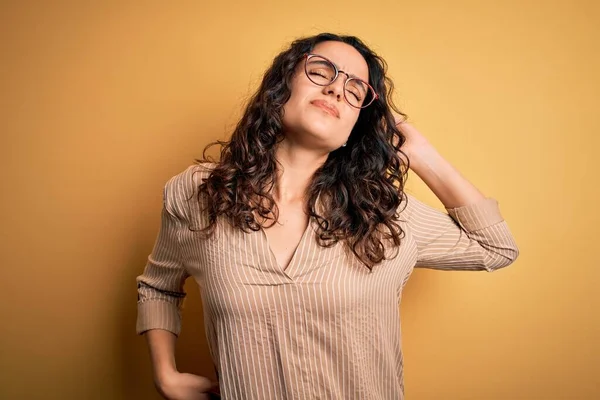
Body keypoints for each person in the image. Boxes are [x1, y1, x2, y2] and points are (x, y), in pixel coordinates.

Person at [135, 32, 519, 400]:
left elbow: (495, 247)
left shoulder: (384, 212)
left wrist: (421, 155)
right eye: (321, 71)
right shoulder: (196, 193)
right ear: (281, 87)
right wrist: (165, 376)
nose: (337, 88)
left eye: (355, 90)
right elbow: (159, 286)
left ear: (355, 127)